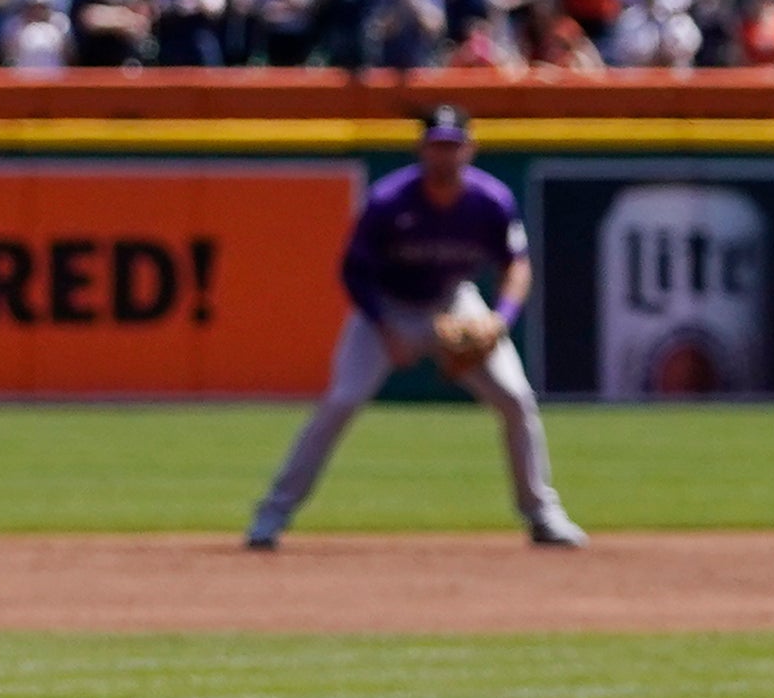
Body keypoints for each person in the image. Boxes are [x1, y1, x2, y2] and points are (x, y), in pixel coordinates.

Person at [247, 107, 584, 551]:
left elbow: (516, 266)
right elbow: (353, 272)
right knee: (342, 400)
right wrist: (387, 332)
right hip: (386, 308)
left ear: (470, 148)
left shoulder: (491, 200)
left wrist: (499, 318)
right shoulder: (389, 201)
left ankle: (543, 515)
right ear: (421, 149)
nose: (444, 155)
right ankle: (271, 516)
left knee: (516, 400)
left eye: (453, 145)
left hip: (454, 302)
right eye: (437, 145)